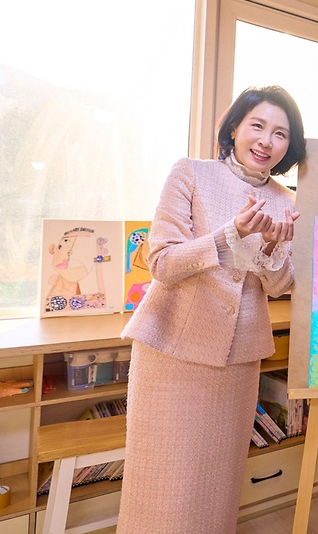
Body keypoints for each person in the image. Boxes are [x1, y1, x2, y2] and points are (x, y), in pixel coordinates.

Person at [117, 85, 305, 534]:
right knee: (161, 482)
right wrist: (228, 236)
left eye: (280, 133)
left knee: (217, 484)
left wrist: (272, 248)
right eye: (257, 125)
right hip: (172, 351)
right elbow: (162, 263)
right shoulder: (191, 173)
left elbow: (280, 286)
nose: (266, 141)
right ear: (234, 127)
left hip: (237, 359)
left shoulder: (287, 200)